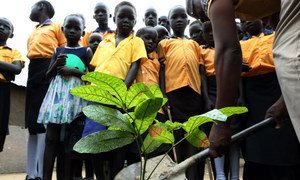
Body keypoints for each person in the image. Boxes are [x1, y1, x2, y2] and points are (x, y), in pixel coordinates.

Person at [185, 0, 284, 158]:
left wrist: (220, 124)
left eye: (196, 13)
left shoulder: (208, 2)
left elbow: (228, 51)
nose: (204, 19)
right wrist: (285, 100)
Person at [83, 1, 147, 178]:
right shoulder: (104, 42)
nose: (126, 20)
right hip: (98, 94)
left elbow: (134, 66)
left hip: (120, 95)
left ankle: (115, 176)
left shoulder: (137, 41)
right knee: (95, 138)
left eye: (130, 18)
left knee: (119, 139)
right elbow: (95, 67)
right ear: (114, 18)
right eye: (122, 17)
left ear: (135, 22)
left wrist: (121, 90)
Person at [239, 20, 300, 180]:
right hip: (252, 95)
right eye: (243, 21)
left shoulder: (276, 36)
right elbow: (238, 76)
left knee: (285, 138)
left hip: (279, 88)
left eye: (250, 19)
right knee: (257, 142)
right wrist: (242, 98)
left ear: (262, 19)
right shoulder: (239, 44)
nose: (247, 23)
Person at [157, 5, 211, 180]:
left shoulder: (195, 45)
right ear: (169, 21)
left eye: (182, 17)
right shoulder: (164, 44)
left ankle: (196, 176)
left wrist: (205, 97)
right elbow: (162, 71)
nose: (179, 20)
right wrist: (164, 95)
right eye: (174, 17)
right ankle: (180, 175)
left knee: (196, 138)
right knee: (177, 138)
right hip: (174, 95)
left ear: (188, 21)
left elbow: (202, 72)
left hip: (194, 95)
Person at [37, 13, 93, 180]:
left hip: (76, 99)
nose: (72, 31)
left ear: (83, 32)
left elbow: (94, 77)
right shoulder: (58, 50)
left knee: (70, 141)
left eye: (77, 28)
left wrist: (74, 72)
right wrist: (55, 64)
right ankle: (46, 177)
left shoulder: (86, 51)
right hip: (57, 98)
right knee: (51, 139)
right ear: (62, 29)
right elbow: (47, 76)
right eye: (69, 27)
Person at [25, 1, 66, 179]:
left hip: (48, 67)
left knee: (43, 122)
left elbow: (64, 49)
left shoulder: (56, 27)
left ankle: (41, 174)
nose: (30, 10)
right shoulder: (34, 30)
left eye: (32, 6)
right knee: (32, 124)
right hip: (33, 70)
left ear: (41, 6)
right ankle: (30, 173)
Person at [0, 17, 24, 153]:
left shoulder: (14, 52)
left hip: (3, 90)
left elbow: (16, 69)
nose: (2, 27)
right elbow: (10, 70)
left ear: (11, 34)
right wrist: (5, 68)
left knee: (1, 125)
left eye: (6, 26)